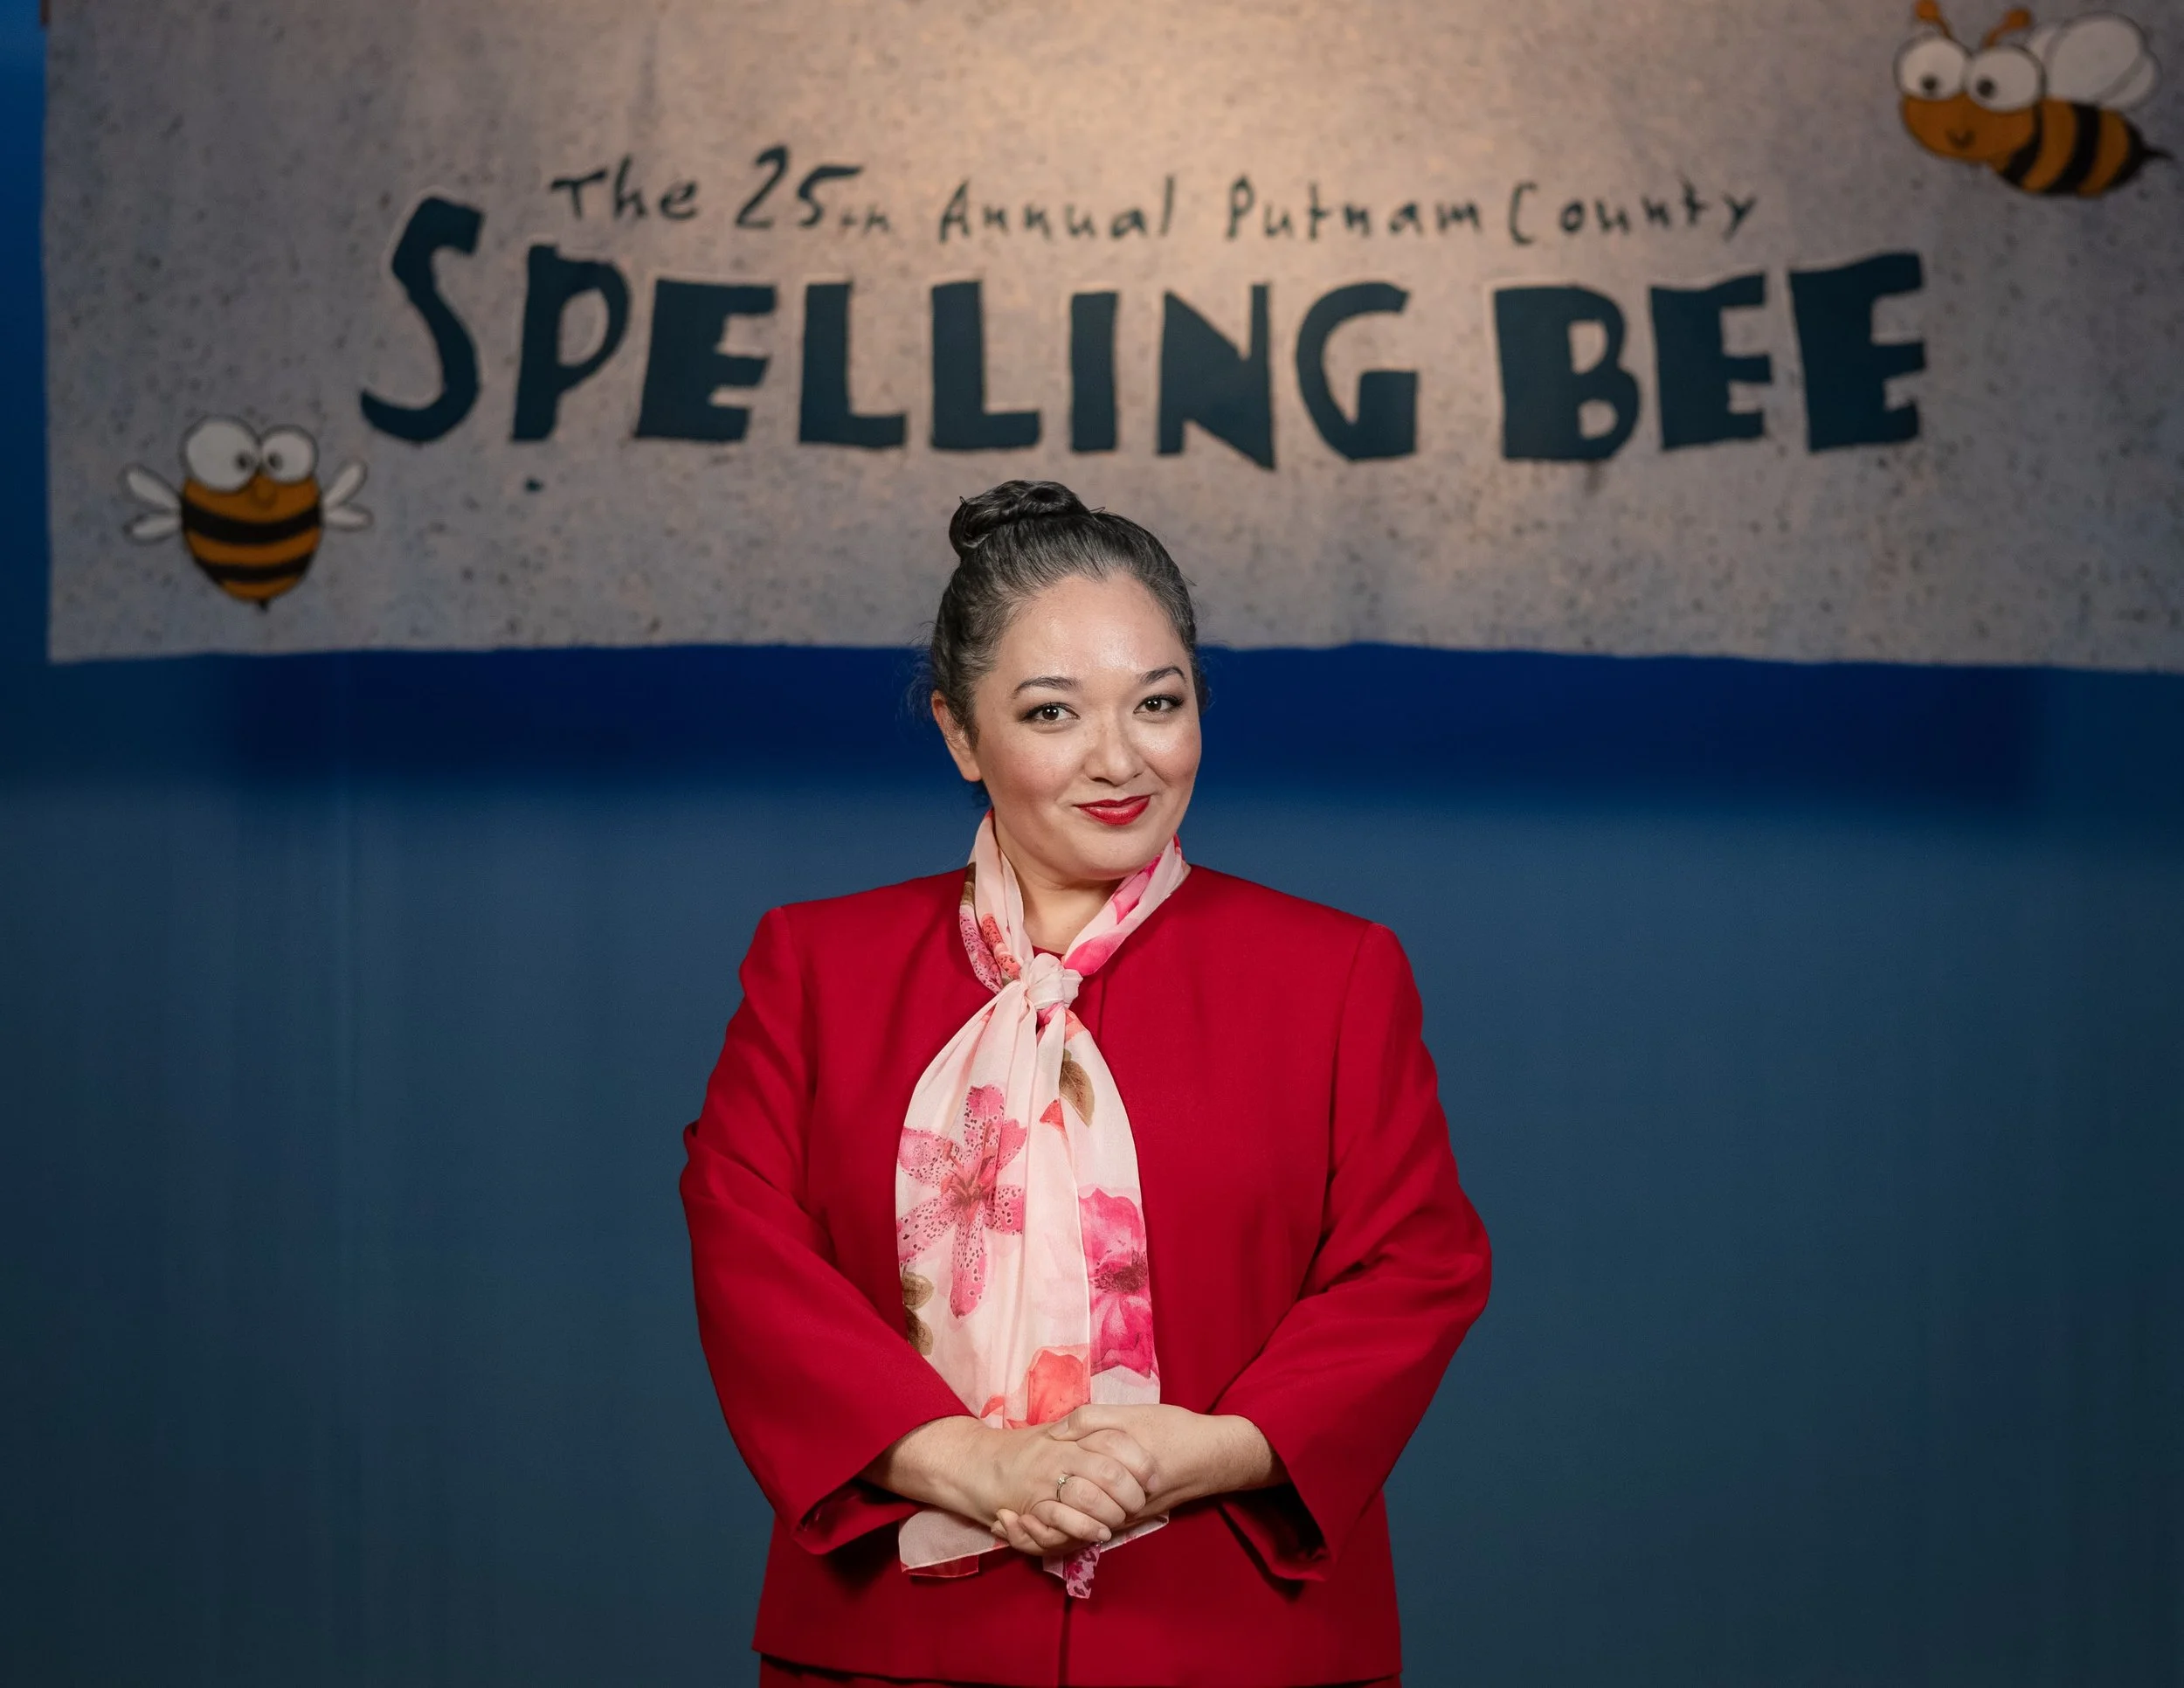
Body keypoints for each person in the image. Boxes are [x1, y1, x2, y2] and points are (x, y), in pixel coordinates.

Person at [680, 480, 1492, 1687]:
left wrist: (1206, 1450)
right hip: (892, 1642)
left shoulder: (1334, 972)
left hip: (1240, 1641)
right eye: (1052, 712)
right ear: (961, 734)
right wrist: (978, 1466)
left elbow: (1414, 1265)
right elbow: (751, 1259)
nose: (1120, 759)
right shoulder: (818, 966)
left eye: (1158, 704)